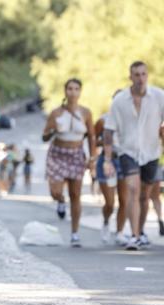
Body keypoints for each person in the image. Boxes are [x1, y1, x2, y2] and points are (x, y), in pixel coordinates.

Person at [104, 61, 164, 250]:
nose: (140, 78)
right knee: (132, 189)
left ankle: (141, 229)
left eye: (143, 74)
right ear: (130, 77)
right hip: (127, 151)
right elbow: (108, 131)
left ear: (147, 75)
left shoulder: (159, 97)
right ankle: (134, 236)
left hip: (151, 152)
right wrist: (106, 160)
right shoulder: (120, 100)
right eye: (136, 75)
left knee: (144, 196)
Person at [42, 78, 96, 247]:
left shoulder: (86, 113)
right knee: (55, 191)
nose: (73, 92)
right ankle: (60, 201)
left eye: (76, 89)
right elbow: (44, 136)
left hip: (76, 154)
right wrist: (52, 131)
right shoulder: (56, 113)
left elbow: (92, 136)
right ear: (65, 91)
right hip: (58, 153)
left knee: (76, 195)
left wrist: (92, 157)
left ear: (80, 92)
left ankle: (75, 233)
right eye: (70, 89)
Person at [94, 91, 128, 245]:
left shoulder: (132, 120)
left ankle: (120, 232)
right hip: (107, 161)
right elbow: (93, 141)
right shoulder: (103, 120)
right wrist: (106, 143)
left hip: (126, 161)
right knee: (109, 202)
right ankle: (106, 221)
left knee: (124, 200)